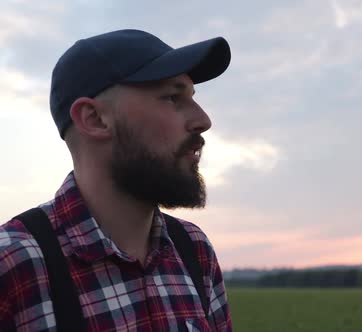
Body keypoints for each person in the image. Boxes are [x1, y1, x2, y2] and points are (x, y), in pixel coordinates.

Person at [0, 29, 232, 331]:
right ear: (94, 119)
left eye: (192, 97)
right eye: (174, 98)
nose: (203, 120)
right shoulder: (13, 265)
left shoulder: (195, 250)